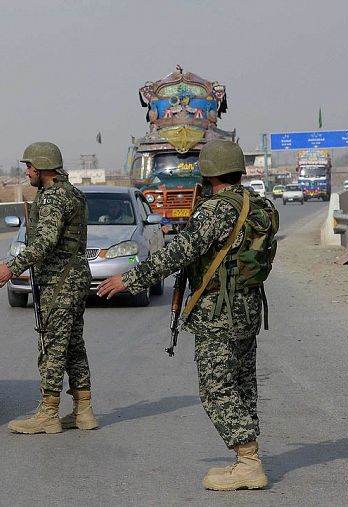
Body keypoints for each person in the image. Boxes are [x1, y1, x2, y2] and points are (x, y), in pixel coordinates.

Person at [97, 140, 279, 491]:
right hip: (247, 307)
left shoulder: (214, 211)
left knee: (216, 387)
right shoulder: (257, 204)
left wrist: (129, 279)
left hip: (218, 312)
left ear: (209, 171)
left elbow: (178, 253)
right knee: (241, 383)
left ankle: (248, 461)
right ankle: (247, 455)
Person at [0, 141, 97, 434]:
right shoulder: (74, 193)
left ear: (43, 168)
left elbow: (45, 241)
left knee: (52, 347)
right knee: (73, 345)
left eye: (29, 167)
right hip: (75, 278)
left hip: (59, 283)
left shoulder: (51, 198)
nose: (26, 172)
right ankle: (83, 411)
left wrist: (11, 267)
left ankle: (48, 413)